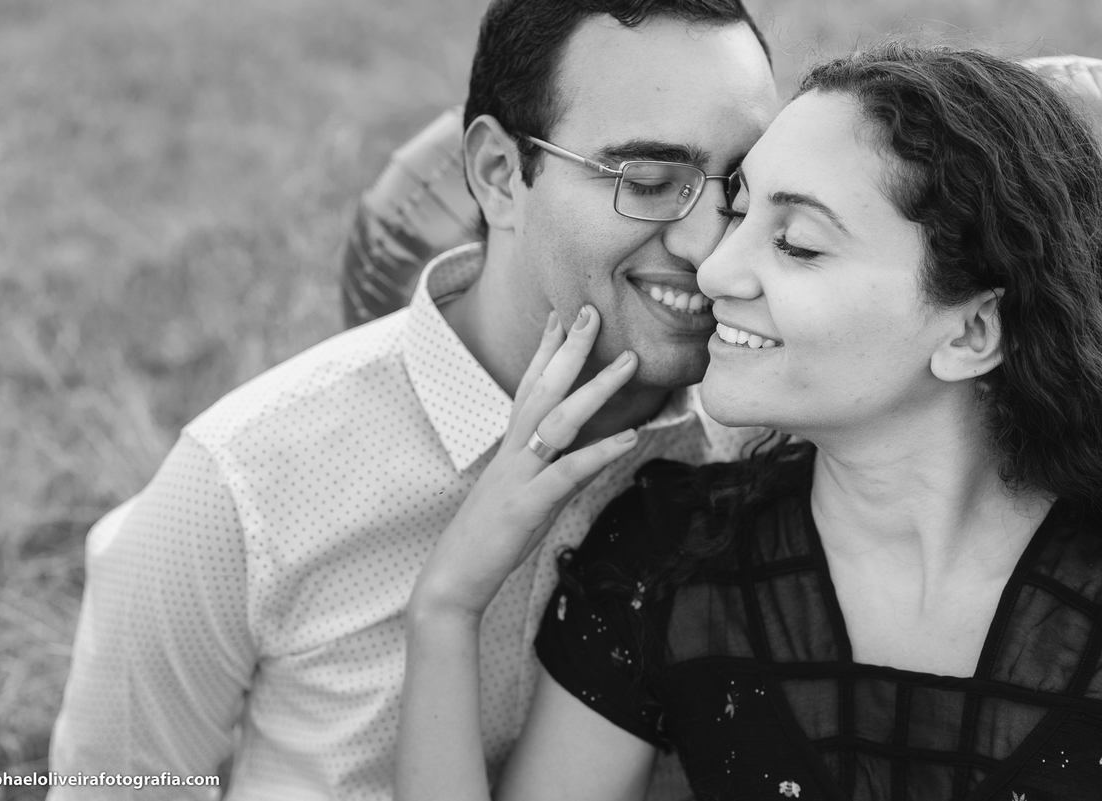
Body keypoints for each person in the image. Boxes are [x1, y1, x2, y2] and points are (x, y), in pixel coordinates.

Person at [48, 1, 778, 798]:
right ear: (500, 175)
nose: (712, 246)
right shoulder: (240, 488)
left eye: (742, 183)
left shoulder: (756, 455)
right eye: (647, 181)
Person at [397, 42, 1102, 801]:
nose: (713, 269)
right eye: (739, 212)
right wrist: (445, 607)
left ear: (970, 333)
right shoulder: (666, 561)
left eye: (796, 245)